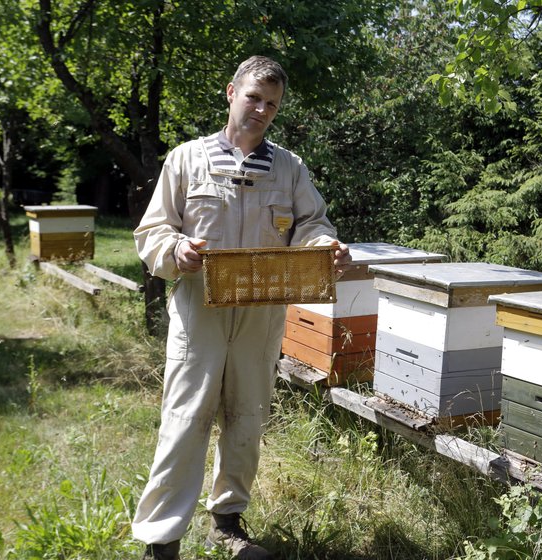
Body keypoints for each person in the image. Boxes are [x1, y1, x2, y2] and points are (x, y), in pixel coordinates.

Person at [131, 55, 351, 560]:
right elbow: (152, 232)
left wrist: (324, 251)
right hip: (199, 308)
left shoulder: (290, 168)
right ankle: (161, 541)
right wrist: (176, 251)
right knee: (185, 419)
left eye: (271, 104)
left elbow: (313, 225)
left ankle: (226, 521)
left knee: (247, 414)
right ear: (232, 93)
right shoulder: (186, 158)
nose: (261, 109)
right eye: (254, 97)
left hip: (262, 311)